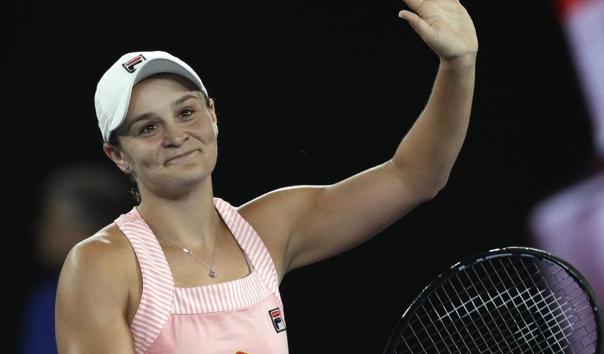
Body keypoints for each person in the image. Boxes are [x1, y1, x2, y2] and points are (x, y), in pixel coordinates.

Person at [55, 0, 478, 353]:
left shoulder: (269, 228)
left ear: (213, 115)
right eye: (148, 128)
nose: (176, 136)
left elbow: (415, 177)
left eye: (186, 112)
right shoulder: (101, 266)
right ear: (117, 155)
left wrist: (458, 64)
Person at [19, 163, 131, 353]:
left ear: (86, 231)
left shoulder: (128, 296)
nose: (40, 231)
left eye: (53, 222)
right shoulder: (48, 294)